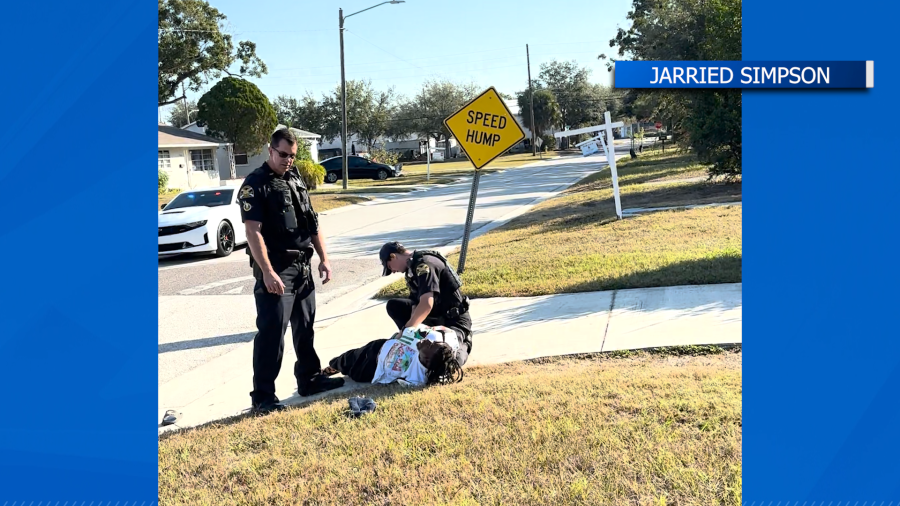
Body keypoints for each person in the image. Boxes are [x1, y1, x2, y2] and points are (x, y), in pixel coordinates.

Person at [238, 128, 344, 414]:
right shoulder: (255, 184)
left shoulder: (295, 179)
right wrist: (268, 272)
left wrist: (324, 258)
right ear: (270, 150)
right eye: (283, 154)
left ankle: (309, 379)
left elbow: (312, 223)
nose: (288, 160)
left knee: (305, 326)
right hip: (277, 269)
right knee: (272, 333)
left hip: (302, 266)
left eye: (293, 156)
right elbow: (252, 232)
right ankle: (262, 397)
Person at [378, 242, 473, 367]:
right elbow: (415, 304)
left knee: (448, 361)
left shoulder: (424, 264)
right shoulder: (412, 268)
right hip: (435, 317)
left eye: (390, 267)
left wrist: (406, 330)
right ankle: (416, 344)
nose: (393, 271)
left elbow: (426, 304)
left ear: (393, 256)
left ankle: (464, 342)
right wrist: (406, 335)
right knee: (394, 306)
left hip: (454, 320)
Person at [324, 325, 464, 386]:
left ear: (427, 358)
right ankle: (332, 366)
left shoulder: (418, 377)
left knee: (351, 368)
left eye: (430, 345)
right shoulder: (432, 344)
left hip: (371, 366)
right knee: (348, 356)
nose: (427, 340)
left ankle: (336, 367)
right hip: (381, 345)